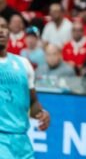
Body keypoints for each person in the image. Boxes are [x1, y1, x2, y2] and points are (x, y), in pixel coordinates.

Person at [0, 16, 51, 158]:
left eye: (4, 27)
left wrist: (41, 113)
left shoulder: (24, 64)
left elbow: (32, 102)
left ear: (9, 32)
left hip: (22, 141)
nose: (1, 31)